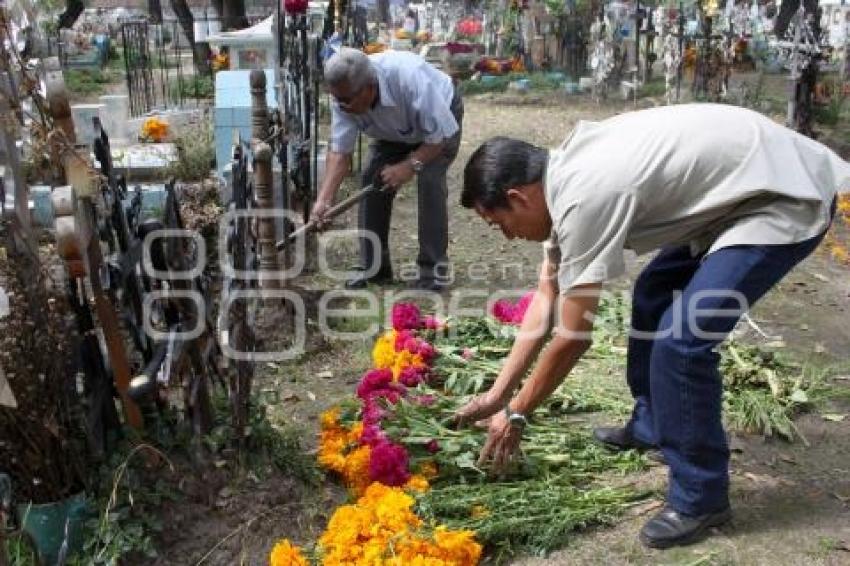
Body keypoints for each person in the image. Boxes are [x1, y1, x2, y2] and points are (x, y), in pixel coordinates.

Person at [454, 104, 848, 549]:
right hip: (734, 190)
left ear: (517, 197)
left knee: (681, 343)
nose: (506, 236)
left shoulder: (585, 195)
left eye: (499, 224)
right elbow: (548, 298)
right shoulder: (558, 178)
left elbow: (572, 336)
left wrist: (518, 413)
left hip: (780, 197)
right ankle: (654, 422)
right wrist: (498, 394)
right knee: (652, 294)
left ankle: (701, 496)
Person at [312, 47, 463, 291]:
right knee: (372, 178)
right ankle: (374, 268)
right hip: (393, 131)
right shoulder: (345, 97)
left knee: (430, 182)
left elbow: (439, 139)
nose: (342, 106)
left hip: (439, 124)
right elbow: (340, 152)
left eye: (347, 100)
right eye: (336, 99)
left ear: (370, 88)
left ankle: (432, 272)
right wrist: (324, 200)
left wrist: (409, 166)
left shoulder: (409, 79)